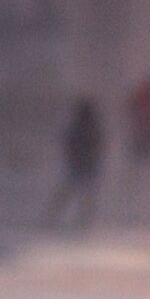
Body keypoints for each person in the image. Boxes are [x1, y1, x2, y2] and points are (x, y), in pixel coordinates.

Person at [50, 95, 105, 227]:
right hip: (88, 163)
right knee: (85, 193)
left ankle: (53, 215)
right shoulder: (93, 127)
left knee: (68, 191)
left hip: (77, 163)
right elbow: (99, 145)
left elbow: (68, 143)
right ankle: (84, 218)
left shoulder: (75, 125)